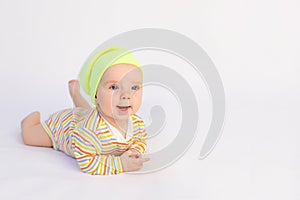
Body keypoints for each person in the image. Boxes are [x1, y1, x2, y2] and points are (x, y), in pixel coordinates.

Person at [21, 47, 150, 175]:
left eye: (134, 87)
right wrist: (121, 164)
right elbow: (87, 161)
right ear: (95, 95)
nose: (126, 95)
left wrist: (135, 151)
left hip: (88, 114)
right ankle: (28, 124)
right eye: (114, 87)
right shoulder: (90, 130)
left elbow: (140, 140)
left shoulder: (136, 123)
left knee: (88, 111)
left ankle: (76, 94)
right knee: (29, 138)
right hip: (63, 127)